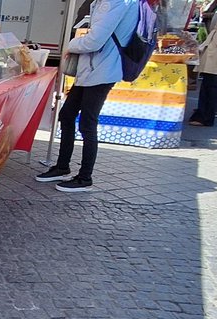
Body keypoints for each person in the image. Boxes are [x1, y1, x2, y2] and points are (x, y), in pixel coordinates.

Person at [35, 0, 140, 192]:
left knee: (87, 123)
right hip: (92, 68)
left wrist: (72, 44)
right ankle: (62, 166)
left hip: (103, 70)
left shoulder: (116, 2)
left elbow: (95, 40)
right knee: (66, 115)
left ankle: (85, 178)